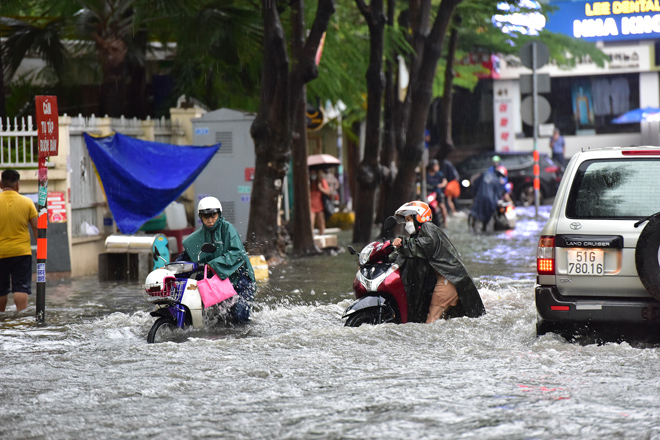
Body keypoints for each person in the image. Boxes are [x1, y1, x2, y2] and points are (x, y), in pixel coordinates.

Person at [391, 201, 485, 323]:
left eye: (409, 219)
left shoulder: (428, 228)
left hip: (448, 280)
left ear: (419, 217)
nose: (407, 224)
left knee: (431, 321)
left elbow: (425, 246)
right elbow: (407, 255)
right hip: (449, 280)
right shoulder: (417, 236)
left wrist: (403, 242)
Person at [177, 197, 256, 323]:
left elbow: (237, 254)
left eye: (213, 216)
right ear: (201, 217)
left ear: (219, 214)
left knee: (239, 317)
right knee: (219, 321)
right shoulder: (198, 237)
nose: (210, 220)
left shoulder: (228, 229)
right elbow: (185, 257)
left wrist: (213, 264)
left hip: (241, 279)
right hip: (218, 283)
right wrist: (168, 269)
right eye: (206, 217)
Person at [0, 169, 38, 312]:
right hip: (21, 253)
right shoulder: (27, 202)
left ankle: (1, 320)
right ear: (18, 185)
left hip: (1, 253)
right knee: (21, 287)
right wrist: (41, 248)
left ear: (0, 184)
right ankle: (21, 317)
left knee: (1, 289)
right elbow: (36, 227)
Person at [469, 166, 509, 232]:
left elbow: (476, 185)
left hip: (479, 198)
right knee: (487, 217)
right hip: (490, 201)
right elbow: (498, 194)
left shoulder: (485, 174)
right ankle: (484, 228)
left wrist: (474, 194)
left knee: (476, 214)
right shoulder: (497, 180)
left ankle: (475, 229)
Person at [426, 159, 448, 225]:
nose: (437, 167)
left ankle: (445, 223)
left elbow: (445, 181)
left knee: (442, 206)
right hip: (428, 193)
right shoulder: (426, 175)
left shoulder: (439, 174)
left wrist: (440, 185)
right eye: (436, 166)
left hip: (437, 192)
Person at [309, 169, 332, 235]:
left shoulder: (321, 181)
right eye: (312, 173)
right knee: (311, 223)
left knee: (321, 224)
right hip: (311, 206)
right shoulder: (308, 182)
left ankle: (322, 236)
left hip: (320, 206)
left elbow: (328, 192)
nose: (313, 175)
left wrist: (321, 188)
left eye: (314, 173)